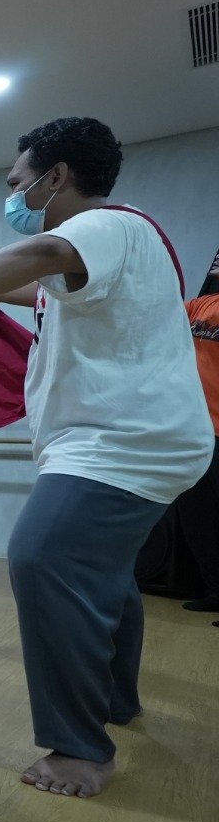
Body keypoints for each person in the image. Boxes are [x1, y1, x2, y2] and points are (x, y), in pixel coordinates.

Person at [0, 116, 209, 798]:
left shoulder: (104, 224)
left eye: (16, 182)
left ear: (55, 176)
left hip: (122, 441)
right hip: (143, 439)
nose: (11, 196)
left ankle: (80, 747)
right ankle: (117, 699)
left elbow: (39, 260)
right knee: (106, 572)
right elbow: (40, 287)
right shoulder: (116, 245)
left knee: (43, 556)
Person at [175, 256, 219, 618]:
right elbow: (156, 315)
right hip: (193, 432)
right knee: (199, 519)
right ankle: (216, 590)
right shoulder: (198, 306)